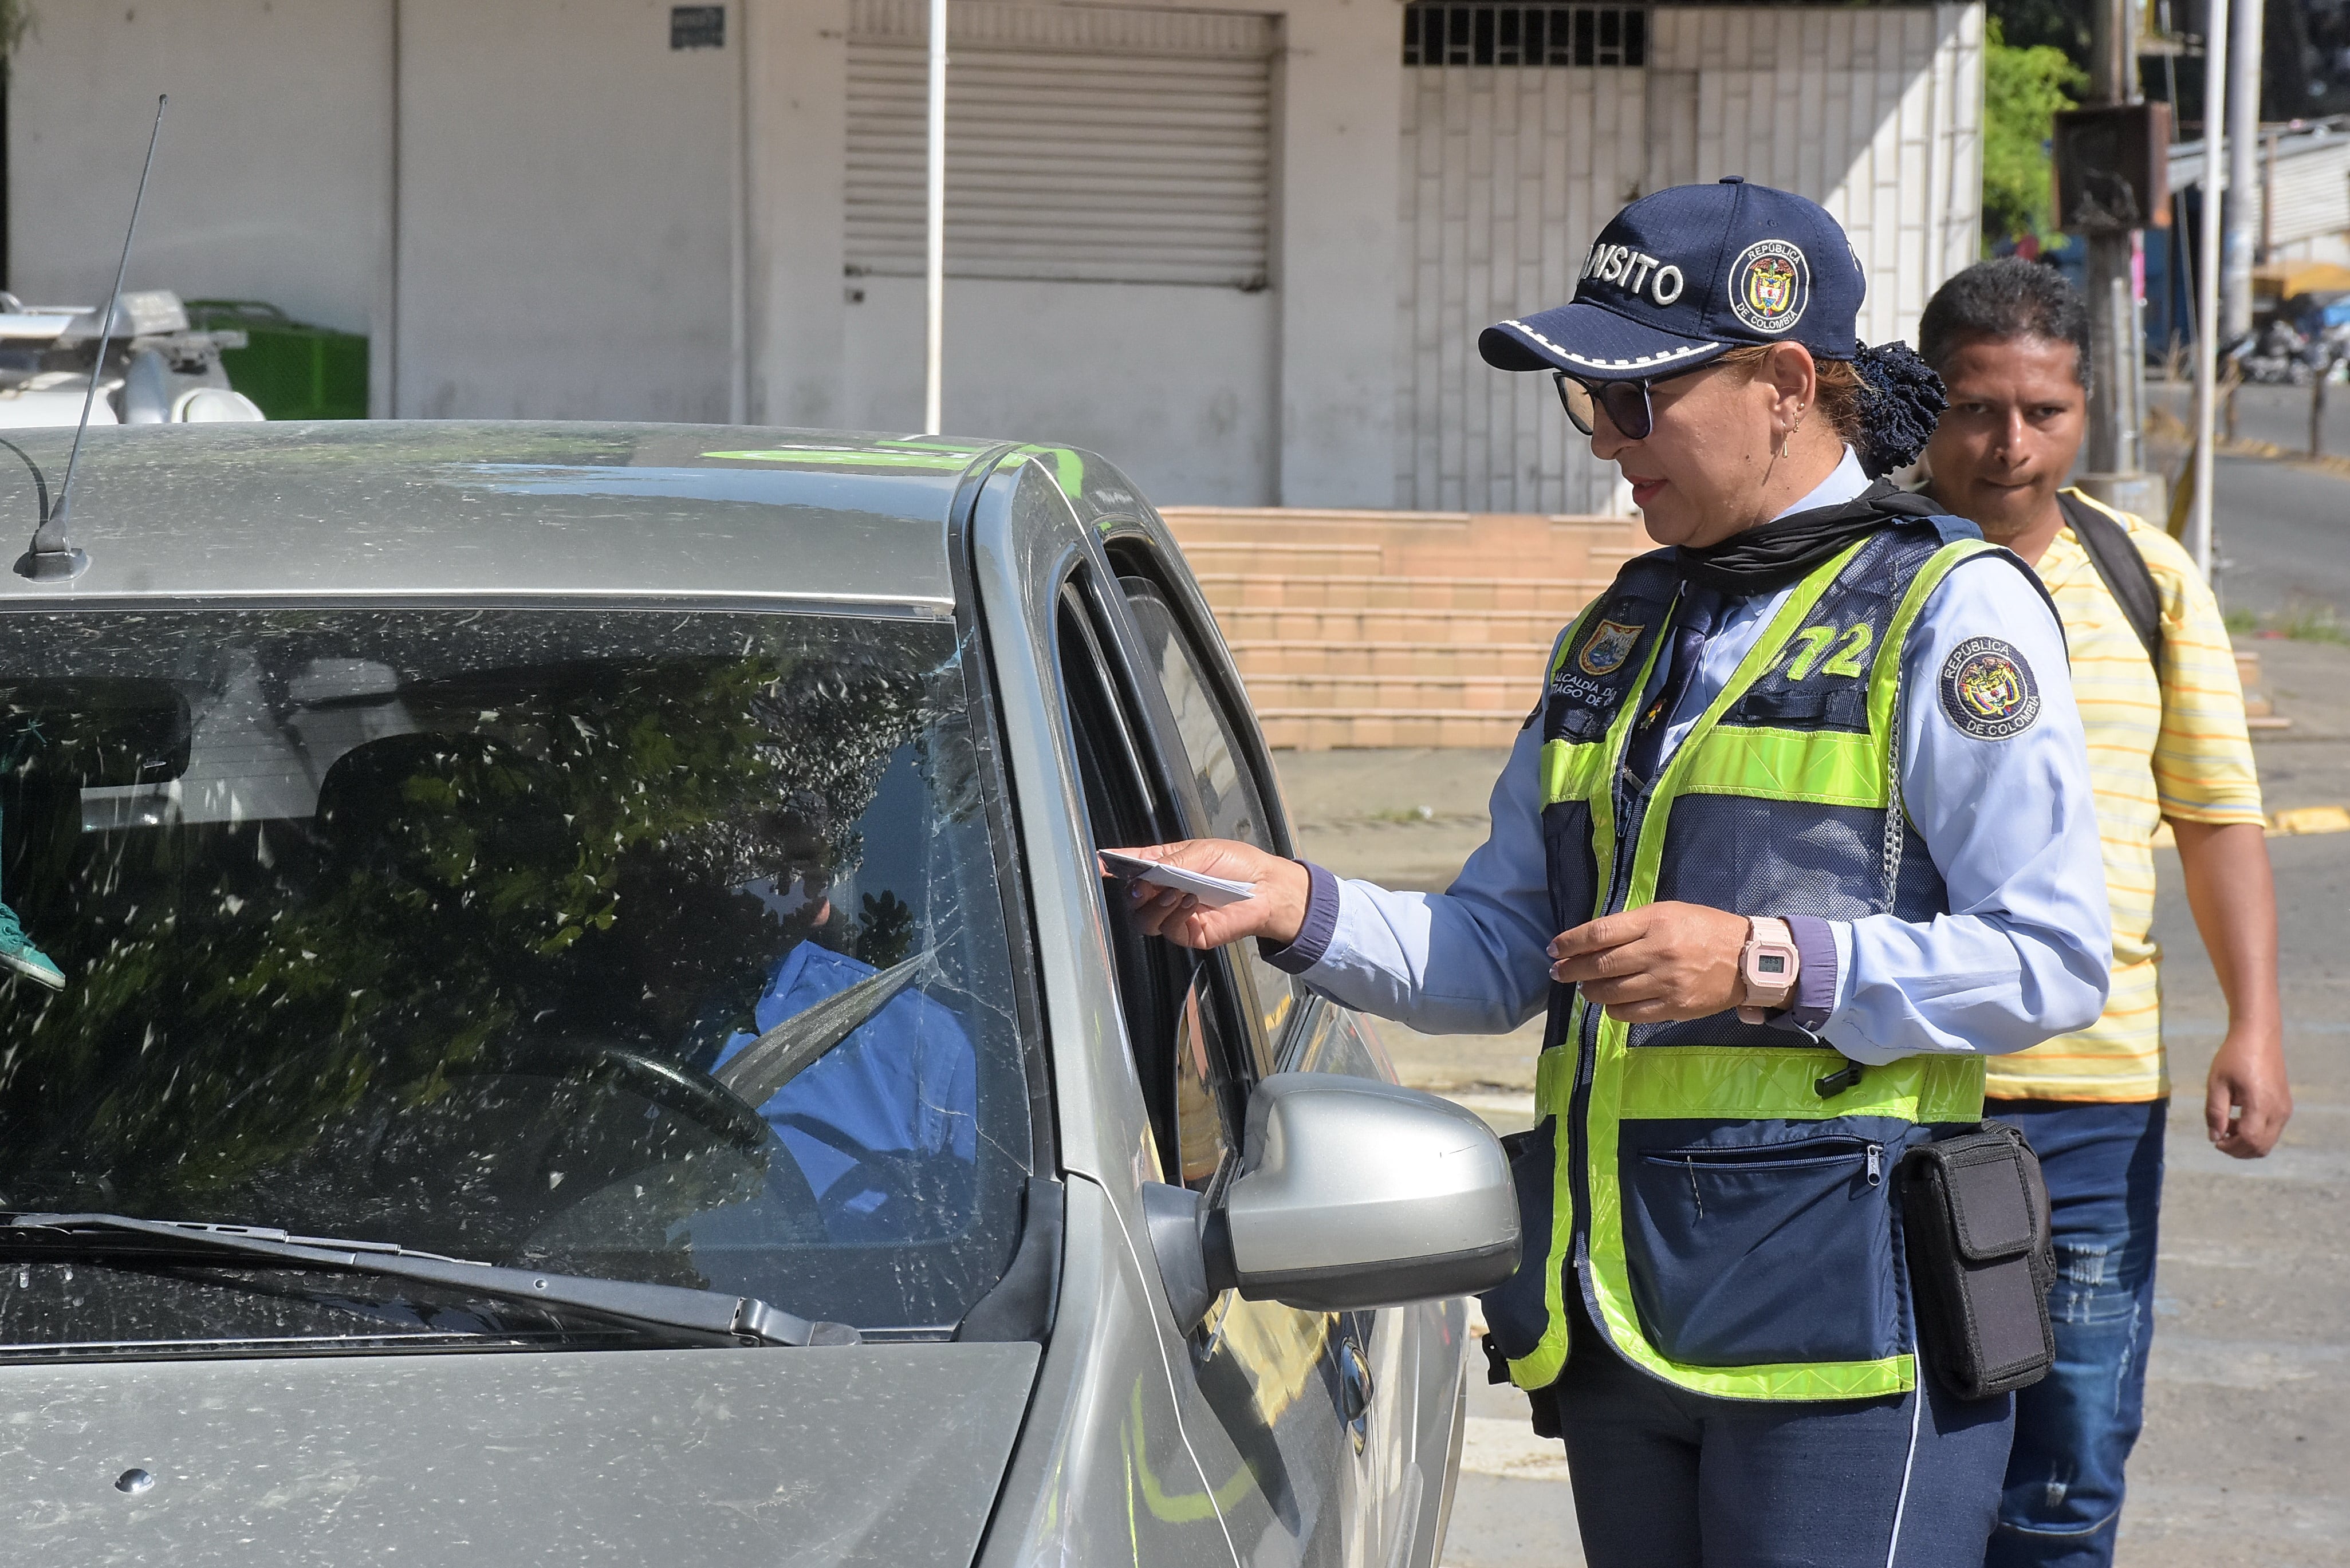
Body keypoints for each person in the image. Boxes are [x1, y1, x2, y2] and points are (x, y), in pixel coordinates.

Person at [1110, 180, 2113, 1568]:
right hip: (1625, 1323)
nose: (1608, 444)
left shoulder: (1953, 611)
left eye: (1638, 403)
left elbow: (2055, 957)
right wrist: (1292, 903)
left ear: (1781, 383)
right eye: (1587, 401)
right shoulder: (1621, 628)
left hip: (1842, 1345)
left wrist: (1770, 962)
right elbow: (1497, 951)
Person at [1916, 258, 2292, 1568]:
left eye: (2044, 412)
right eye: (1974, 407)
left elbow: (2215, 813)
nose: (2010, 444)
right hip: (1885, 1089)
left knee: (2067, 1464)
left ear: (2084, 416)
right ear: (1922, 406)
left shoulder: (2150, 581)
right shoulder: (1852, 575)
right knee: (1889, 1454)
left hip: (2091, 1104)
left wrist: (2256, 1025)